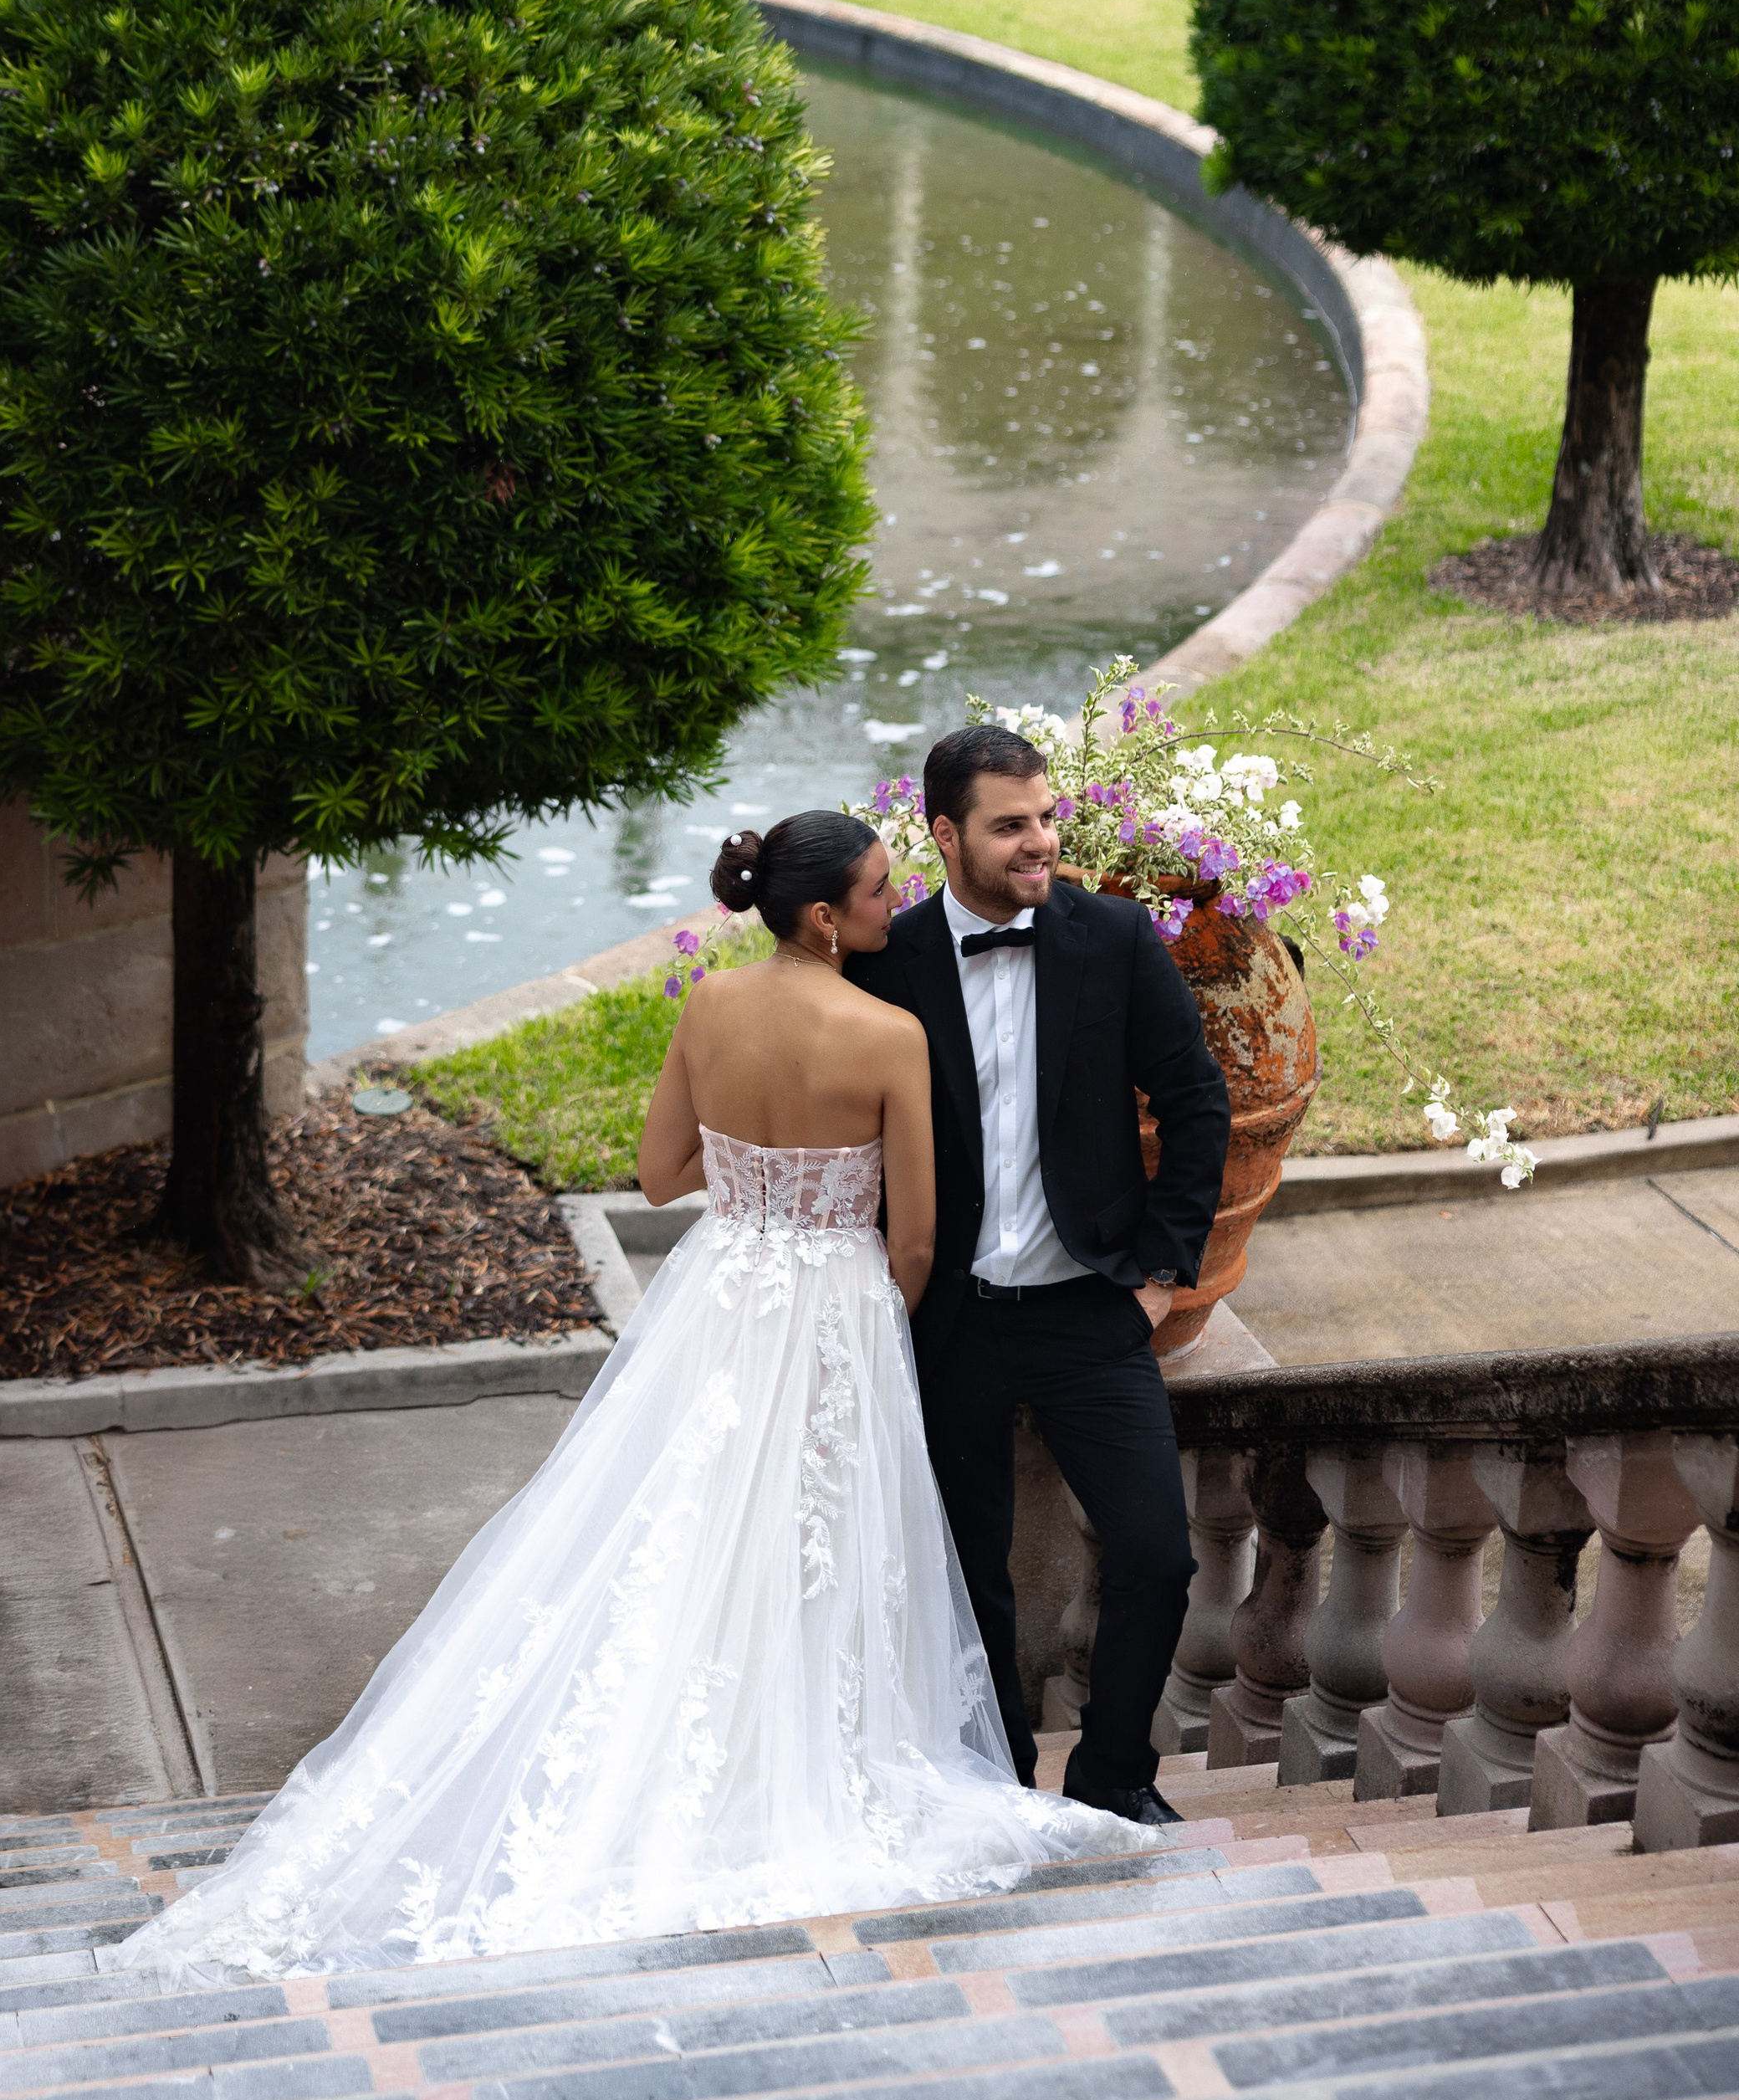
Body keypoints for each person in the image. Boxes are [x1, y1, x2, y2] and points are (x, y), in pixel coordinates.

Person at [115, 811, 1141, 1985]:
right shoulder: (889, 1033)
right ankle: (792, 1762)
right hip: (837, 1312)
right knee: (819, 1554)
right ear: (823, 916)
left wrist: (758, 1166)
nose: (888, 905)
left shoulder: (707, 1006)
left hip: (721, 1295)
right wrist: (864, 1306)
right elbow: (912, 1237)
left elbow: (661, 1173)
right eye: (873, 889)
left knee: (686, 1532)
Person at [844, 720, 1230, 1826]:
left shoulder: (1111, 939)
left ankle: (1114, 1772)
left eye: (1048, 817)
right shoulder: (888, 961)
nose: (1040, 841)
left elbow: (1198, 1101)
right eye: (1011, 824)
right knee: (967, 1576)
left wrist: (1162, 1271)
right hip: (949, 1315)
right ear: (944, 834)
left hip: (1088, 1307)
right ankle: (999, 1786)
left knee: (1157, 1553)